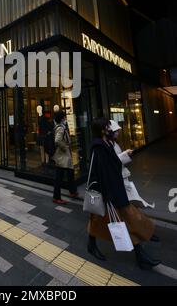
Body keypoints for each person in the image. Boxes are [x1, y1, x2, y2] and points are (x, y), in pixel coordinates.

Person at [87, 118, 161, 270]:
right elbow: (97, 172)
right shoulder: (98, 148)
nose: (110, 129)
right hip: (108, 193)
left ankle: (139, 254)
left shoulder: (107, 144)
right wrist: (106, 194)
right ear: (102, 130)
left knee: (107, 221)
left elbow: (113, 165)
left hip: (114, 190)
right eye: (107, 127)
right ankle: (140, 254)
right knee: (118, 220)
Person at [109, 120, 155, 209]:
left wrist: (125, 154)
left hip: (120, 173)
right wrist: (125, 154)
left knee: (129, 195)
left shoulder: (114, 143)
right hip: (118, 174)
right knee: (128, 196)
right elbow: (113, 160)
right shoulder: (110, 144)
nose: (118, 132)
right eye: (116, 131)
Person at [52, 111, 78, 204]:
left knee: (70, 173)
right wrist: (65, 147)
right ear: (62, 118)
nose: (65, 119)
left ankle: (72, 192)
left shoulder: (61, 127)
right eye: (64, 117)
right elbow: (57, 140)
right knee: (60, 177)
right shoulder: (61, 128)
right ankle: (56, 197)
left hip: (64, 155)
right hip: (62, 155)